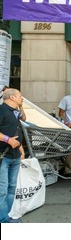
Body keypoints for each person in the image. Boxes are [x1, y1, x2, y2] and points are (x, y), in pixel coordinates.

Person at [0, 88, 25, 223]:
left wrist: (21, 150)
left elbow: (16, 132)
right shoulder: (2, 110)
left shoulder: (15, 113)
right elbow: (10, 137)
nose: (22, 98)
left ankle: (7, 217)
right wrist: (8, 140)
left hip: (14, 156)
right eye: (20, 96)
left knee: (11, 189)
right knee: (2, 190)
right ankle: (2, 220)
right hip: (3, 157)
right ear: (12, 97)